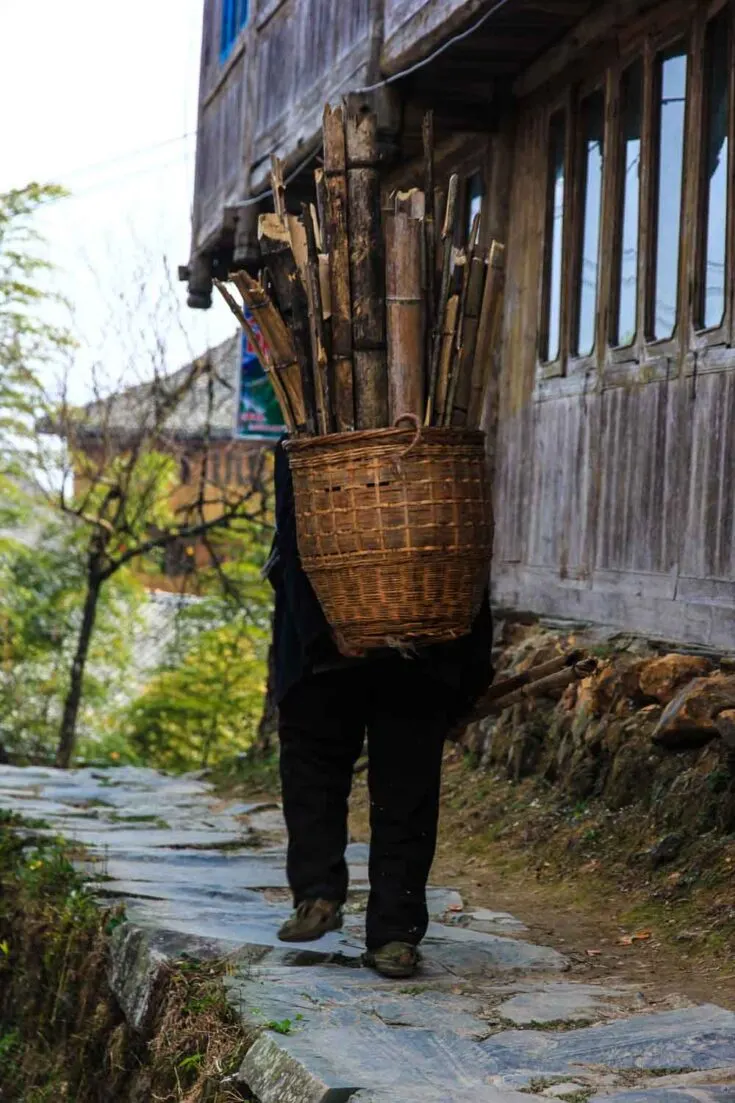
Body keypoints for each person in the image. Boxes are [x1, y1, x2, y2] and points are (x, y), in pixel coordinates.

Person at [265, 438, 493, 978]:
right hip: (377, 650)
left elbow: (461, 549)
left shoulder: (321, 437)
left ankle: (356, 914)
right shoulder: (438, 435)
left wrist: (321, 634)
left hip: (379, 648)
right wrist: (468, 673)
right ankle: (356, 915)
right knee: (365, 786)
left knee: (354, 783)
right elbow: (467, 551)